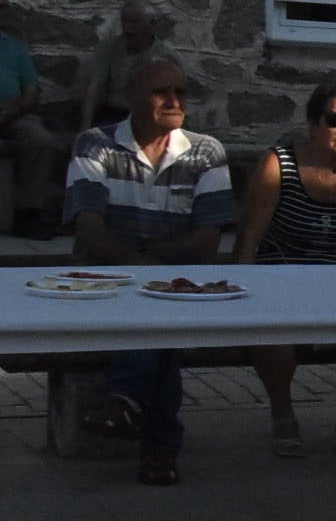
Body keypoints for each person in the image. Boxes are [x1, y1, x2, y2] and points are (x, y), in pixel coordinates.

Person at [65, 59, 233, 485]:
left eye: (181, 91)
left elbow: (207, 239)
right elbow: (89, 229)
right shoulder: (95, 145)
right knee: (161, 328)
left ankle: (122, 399)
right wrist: (145, 267)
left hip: (174, 287)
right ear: (130, 97)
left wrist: (150, 268)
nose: (174, 101)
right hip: (109, 284)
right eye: (162, 92)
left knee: (162, 317)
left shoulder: (205, 152)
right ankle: (160, 444)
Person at [230, 79, 336, 456]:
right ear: (313, 122)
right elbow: (250, 236)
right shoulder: (279, 163)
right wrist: (242, 291)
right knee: (269, 329)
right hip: (282, 277)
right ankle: (283, 412)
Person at [1, 0, 62, 237]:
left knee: (41, 140)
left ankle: (29, 215)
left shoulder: (14, 47)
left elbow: (30, 90)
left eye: (2, 7)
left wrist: (11, 112)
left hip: (12, 114)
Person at [77, 0, 178, 135]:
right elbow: (95, 86)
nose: (128, 28)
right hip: (112, 114)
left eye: (134, 22)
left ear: (152, 24)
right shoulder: (110, 48)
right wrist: (85, 128)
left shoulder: (165, 55)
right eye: (125, 22)